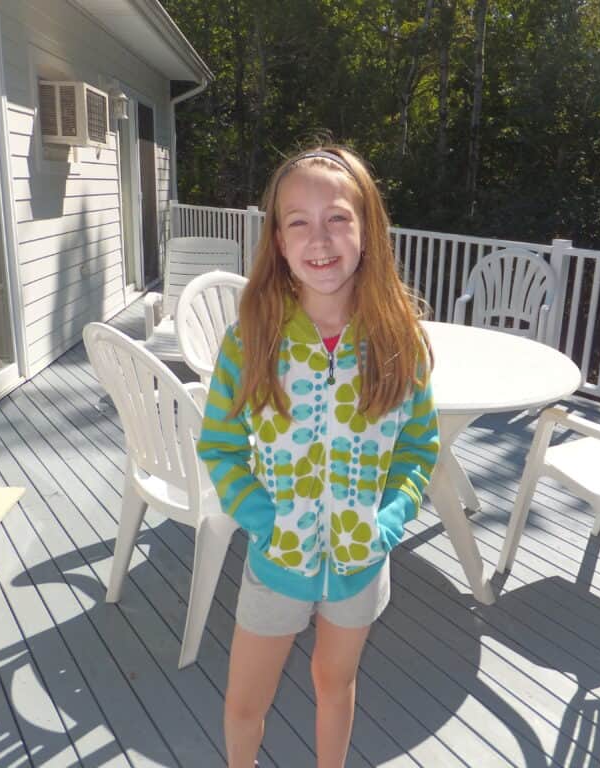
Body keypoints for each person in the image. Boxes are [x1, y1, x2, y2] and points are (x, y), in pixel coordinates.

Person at [197, 144, 439, 768]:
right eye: (298, 221)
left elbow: (417, 447)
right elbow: (221, 447)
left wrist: (388, 521)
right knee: (246, 700)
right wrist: (263, 519)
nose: (320, 237)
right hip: (277, 560)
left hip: (361, 564)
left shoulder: (399, 341)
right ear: (278, 241)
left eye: (337, 217)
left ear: (367, 229)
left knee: (336, 685)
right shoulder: (251, 339)